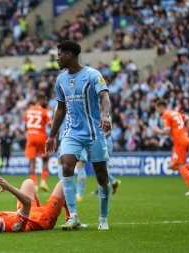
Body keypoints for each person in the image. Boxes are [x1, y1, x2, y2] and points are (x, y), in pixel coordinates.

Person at [46, 40, 112, 230]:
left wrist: (105, 114)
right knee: (66, 166)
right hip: (71, 132)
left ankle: (103, 218)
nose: (57, 59)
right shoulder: (60, 80)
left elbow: (104, 96)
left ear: (68, 55)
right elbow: (60, 109)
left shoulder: (92, 75)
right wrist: (51, 135)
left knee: (101, 174)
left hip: (94, 132)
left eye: (59, 55)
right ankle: (73, 216)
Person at [0, 176, 70, 233]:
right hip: (42, 218)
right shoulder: (14, 225)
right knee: (64, 181)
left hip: (26, 211)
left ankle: (44, 206)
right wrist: (8, 187)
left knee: (28, 182)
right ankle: (70, 217)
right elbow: (27, 203)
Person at [153, 99, 189, 196]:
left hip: (180, 141)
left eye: (157, 109)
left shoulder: (165, 115)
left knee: (180, 165)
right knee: (171, 166)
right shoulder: (175, 113)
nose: (157, 111)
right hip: (185, 139)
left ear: (161, 107)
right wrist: (185, 131)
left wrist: (157, 130)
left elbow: (166, 131)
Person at [24, 93, 51, 191]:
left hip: (30, 136)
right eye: (45, 100)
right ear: (42, 100)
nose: (46, 102)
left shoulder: (28, 111)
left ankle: (34, 185)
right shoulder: (44, 111)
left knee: (32, 162)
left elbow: (25, 126)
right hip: (41, 137)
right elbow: (50, 124)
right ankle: (43, 182)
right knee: (45, 159)